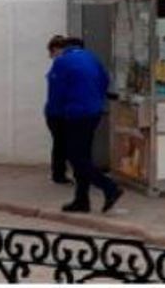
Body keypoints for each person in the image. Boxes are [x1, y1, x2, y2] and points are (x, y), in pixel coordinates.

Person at [47, 36, 122, 213]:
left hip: (75, 114)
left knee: (75, 158)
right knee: (83, 156)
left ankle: (109, 187)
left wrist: (54, 115)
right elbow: (105, 81)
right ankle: (82, 200)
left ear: (63, 48)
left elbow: (56, 93)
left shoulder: (62, 62)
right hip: (94, 112)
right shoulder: (92, 58)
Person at [45, 35, 70, 184]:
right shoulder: (60, 65)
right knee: (61, 144)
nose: (51, 56)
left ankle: (59, 173)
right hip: (58, 112)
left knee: (60, 143)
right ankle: (59, 174)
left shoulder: (59, 65)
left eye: (52, 52)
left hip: (54, 111)